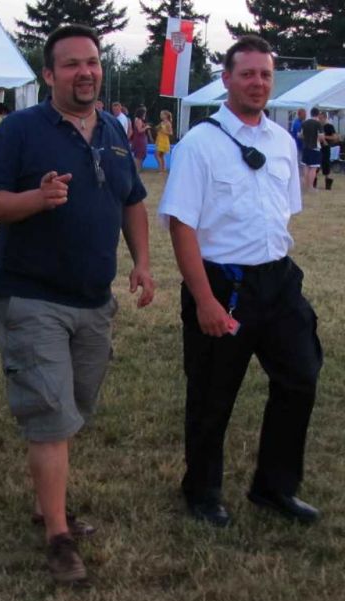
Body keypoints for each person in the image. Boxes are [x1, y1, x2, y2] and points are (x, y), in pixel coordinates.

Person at [0, 24, 154, 584]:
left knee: (74, 406)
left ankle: (44, 502)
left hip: (93, 301)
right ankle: (56, 534)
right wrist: (37, 197)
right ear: (49, 75)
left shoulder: (115, 132)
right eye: (72, 64)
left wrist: (142, 263)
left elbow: (132, 202)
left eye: (93, 62)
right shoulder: (21, 131)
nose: (86, 72)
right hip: (31, 297)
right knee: (51, 416)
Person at [158, 35, 322, 528]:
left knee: (301, 378)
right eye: (247, 73)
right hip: (223, 285)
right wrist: (205, 300)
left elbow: (284, 211)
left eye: (265, 75)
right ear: (226, 79)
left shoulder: (282, 141)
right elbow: (181, 226)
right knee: (212, 394)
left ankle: (274, 487)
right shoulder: (200, 145)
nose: (257, 83)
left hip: (278, 282)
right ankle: (202, 490)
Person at [300, 107, 323, 191]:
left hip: (305, 146)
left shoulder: (304, 123)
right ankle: (310, 187)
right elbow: (321, 137)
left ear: (311, 113)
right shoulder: (318, 124)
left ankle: (305, 186)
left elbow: (301, 135)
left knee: (306, 166)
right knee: (313, 168)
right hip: (315, 147)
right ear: (318, 114)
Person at [317, 111, 339, 190]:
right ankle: (314, 182)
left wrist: (324, 137)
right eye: (319, 118)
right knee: (316, 165)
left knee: (326, 165)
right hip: (317, 148)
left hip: (326, 148)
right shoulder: (318, 126)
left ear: (325, 118)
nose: (319, 120)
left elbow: (335, 137)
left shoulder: (329, 126)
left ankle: (328, 183)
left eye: (321, 118)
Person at [131, 106, 150, 171]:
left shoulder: (138, 120)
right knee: (139, 154)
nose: (145, 115)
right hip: (140, 139)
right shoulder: (138, 120)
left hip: (141, 138)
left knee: (141, 154)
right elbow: (139, 130)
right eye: (144, 114)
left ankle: (138, 168)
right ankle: (137, 168)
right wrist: (146, 127)